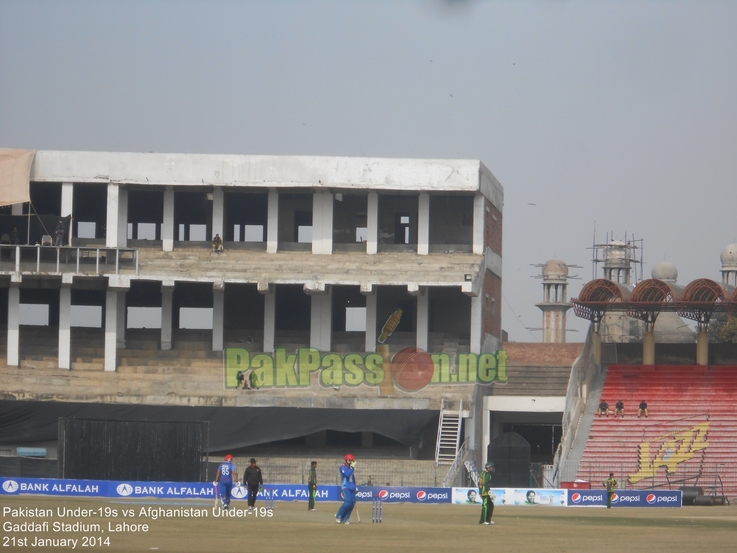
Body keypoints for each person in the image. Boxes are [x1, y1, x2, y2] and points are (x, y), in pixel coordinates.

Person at [335, 453, 357, 524]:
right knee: (347, 503)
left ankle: (345, 519)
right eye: (351, 461)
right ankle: (338, 516)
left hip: (352, 487)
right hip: (346, 487)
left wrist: (355, 487)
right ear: (347, 460)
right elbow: (347, 475)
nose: (352, 462)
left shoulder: (351, 468)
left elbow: (352, 478)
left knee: (352, 503)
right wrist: (351, 468)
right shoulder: (342, 467)